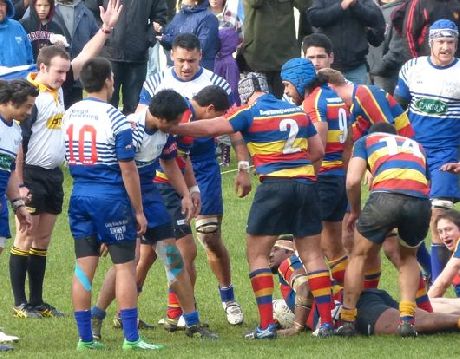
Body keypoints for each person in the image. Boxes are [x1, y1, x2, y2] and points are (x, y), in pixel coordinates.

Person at [171, 72, 336, 339]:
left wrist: (175, 128)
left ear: (246, 95)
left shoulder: (249, 112)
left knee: (257, 254)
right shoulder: (297, 111)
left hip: (274, 187)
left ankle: (266, 326)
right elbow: (317, 151)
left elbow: (213, 128)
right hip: (306, 185)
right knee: (313, 255)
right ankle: (327, 324)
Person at [9, 0, 123, 319]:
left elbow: (85, 57)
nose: (63, 77)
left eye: (65, 71)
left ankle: (37, 301)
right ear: (41, 68)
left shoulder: (56, 89)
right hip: (30, 174)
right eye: (58, 72)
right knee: (25, 234)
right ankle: (20, 304)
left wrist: (106, 28)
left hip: (53, 175)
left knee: (42, 239)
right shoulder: (32, 97)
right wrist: (19, 185)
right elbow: (18, 143)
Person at [91, 88, 225, 340]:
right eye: (174, 122)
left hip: (151, 192)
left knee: (172, 256)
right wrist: (133, 211)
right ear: (160, 118)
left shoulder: (164, 131)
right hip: (123, 193)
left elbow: (170, 161)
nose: (178, 127)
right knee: (125, 262)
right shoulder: (129, 129)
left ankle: (193, 324)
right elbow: (124, 172)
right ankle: (96, 316)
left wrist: (185, 193)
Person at [139, 33, 248, 327]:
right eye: (180, 60)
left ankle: (227, 297)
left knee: (209, 236)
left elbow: (234, 124)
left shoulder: (217, 85)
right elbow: (143, 124)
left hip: (200, 165)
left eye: (192, 60)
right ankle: (166, 312)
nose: (186, 66)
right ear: (172, 56)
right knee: (156, 249)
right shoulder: (156, 81)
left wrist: (243, 164)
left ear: (201, 56)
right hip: (169, 170)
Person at [63, 57, 164, 351]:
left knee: (84, 266)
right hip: (109, 196)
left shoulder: (70, 113)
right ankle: (131, 339)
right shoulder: (116, 117)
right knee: (125, 266)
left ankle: (84, 338)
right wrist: (138, 210)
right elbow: (128, 167)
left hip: (79, 192)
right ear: (109, 80)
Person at [337, 122, 431, 337]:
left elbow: (352, 181)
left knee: (358, 255)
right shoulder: (415, 145)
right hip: (419, 200)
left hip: (385, 197)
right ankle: (407, 320)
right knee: (408, 259)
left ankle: (348, 320)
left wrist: (354, 211)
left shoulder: (366, 141)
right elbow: (425, 180)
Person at [268, 240, 460, 337]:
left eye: (274, 248)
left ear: (289, 250)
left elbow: (304, 285)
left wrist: (297, 326)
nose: (269, 253)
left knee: (420, 321)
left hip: (356, 308)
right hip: (365, 299)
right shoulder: (293, 270)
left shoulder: (289, 263)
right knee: (422, 319)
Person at [394, 19, 460, 283]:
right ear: (430, 42)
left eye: (451, 42)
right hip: (414, 152)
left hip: (447, 153)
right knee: (405, 219)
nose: (445, 47)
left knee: (439, 214)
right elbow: (397, 110)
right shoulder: (412, 68)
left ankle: (441, 281)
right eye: (441, 42)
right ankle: (433, 275)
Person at [280, 57, 350, 286]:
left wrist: (303, 177)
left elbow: (318, 147)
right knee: (333, 246)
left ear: (298, 81)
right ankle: (349, 300)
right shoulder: (335, 97)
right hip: (338, 177)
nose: (288, 92)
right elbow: (349, 143)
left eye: (287, 85)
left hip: (323, 178)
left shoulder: (313, 102)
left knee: (308, 247)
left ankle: (321, 310)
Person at [0, 79, 37, 351]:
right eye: (26, 106)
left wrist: (18, 205)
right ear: (9, 102)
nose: (28, 112)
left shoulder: (13, 132)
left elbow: (10, 171)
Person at [104, 0, 168, 116]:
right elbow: (93, 10)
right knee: (107, 106)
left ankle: (132, 134)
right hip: (109, 55)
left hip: (137, 57)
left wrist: (147, 39)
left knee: (134, 109)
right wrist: (106, 37)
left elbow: (160, 16)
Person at [237, 0, 310, 98]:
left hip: (285, 55)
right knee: (261, 103)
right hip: (257, 56)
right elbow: (255, 2)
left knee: (283, 103)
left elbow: (304, 5)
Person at [319, 67, 414, 141]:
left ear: (329, 87)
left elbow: (387, 136)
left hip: (400, 154)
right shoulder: (350, 104)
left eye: (319, 93)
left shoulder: (365, 95)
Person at [307, 0, 385, 84]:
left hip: (356, 66)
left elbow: (376, 19)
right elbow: (313, 18)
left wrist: (356, 5)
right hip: (328, 67)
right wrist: (341, 6)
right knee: (329, 96)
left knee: (359, 96)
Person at [158, 0, 219, 71]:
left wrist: (168, 39)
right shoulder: (181, 14)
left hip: (199, 70)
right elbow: (169, 33)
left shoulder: (208, 18)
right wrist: (160, 32)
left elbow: (200, 47)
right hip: (177, 68)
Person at [429, 210, 460, 298]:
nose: (444, 236)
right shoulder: (454, 253)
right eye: (440, 231)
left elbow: (441, 284)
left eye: (448, 229)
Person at [0, 0, 33, 66]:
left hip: (22, 75)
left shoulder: (17, 26)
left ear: (7, 7)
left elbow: (29, 57)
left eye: (2, 4)